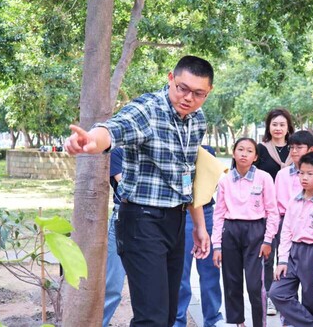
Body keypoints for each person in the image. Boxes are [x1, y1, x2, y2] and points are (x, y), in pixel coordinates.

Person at [64, 55, 214, 326]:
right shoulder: (148, 110)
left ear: (208, 92)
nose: (188, 98)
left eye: (198, 93)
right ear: (170, 78)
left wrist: (200, 227)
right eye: (182, 88)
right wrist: (89, 141)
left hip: (176, 221)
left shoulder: (197, 120)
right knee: (152, 319)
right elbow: (113, 130)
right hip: (141, 222)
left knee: (168, 315)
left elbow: (190, 177)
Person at [212, 138, 280, 327]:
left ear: (255, 156)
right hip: (230, 231)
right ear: (233, 153)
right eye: (240, 149)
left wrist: (268, 240)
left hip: (256, 232)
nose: (244, 154)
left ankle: (260, 323)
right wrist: (216, 245)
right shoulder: (225, 180)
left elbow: (272, 212)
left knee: (254, 285)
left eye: (249, 151)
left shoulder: (264, 177)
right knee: (232, 283)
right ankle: (238, 322)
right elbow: (218, 214)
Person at [269, 152, 313, 327]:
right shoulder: (294, 201)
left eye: (309, 173)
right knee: (277, 293)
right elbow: (286, 232)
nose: (304, 177)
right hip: (293, 252)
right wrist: (282, 260)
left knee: (312, 301)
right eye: (301, 172)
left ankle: (312, 320)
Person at [174, 145, 223, 327]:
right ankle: (178, 320)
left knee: (210, 270)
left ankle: (212, 320)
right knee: (181, 272)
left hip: (207, 212)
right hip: (182, 212)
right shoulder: (172, 147)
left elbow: (212, 181)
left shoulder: (208, 150)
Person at [254, 108, 295, 316]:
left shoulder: (296, 149)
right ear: (268, 126)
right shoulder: (260, 150)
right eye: (274, 124)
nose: (278, 128)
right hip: (268, 211)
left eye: (282, 124)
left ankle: (287, 296)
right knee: (268, 256)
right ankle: (270, 296)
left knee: (290, 256)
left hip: (293, 213)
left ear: (288, 127)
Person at [103, 147, 125, 327]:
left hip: (150, 221)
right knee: (113, 286)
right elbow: (125, 187)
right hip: (122, 219)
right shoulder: (118, 153)